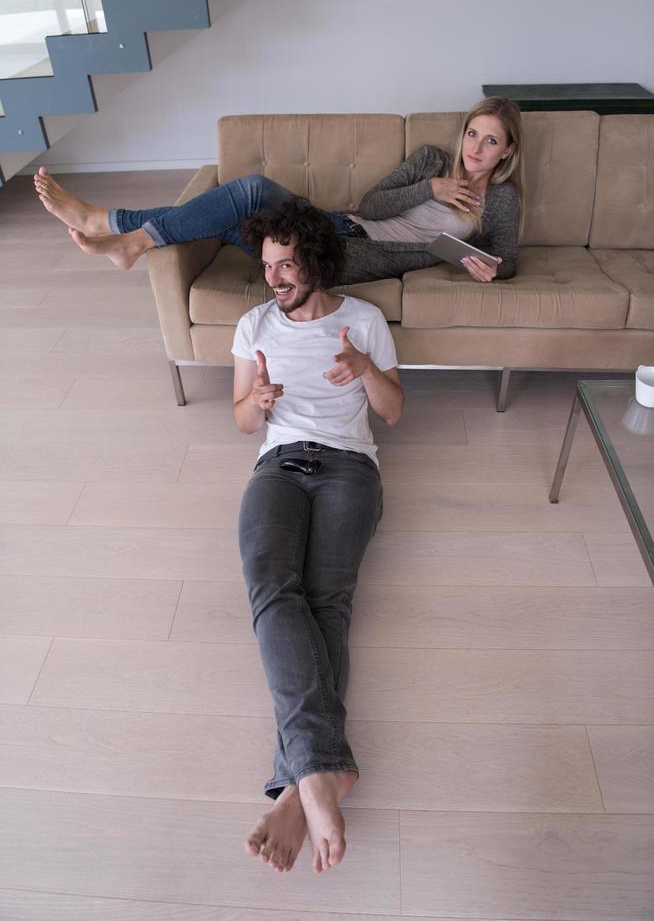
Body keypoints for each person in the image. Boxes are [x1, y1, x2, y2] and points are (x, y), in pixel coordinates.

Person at [232, 197, 403, 875]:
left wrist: (363, 371)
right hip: (278, 465)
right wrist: (259, 403)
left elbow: (393, 412)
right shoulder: (253, 325)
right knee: (274, 590)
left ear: (316, 261)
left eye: (288, 264)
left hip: (348, 468)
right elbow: (242, 420)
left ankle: (301, 785)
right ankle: (319, 776)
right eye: (268, 265)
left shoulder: (362, 320)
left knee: (327, 601)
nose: (275, 277)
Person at [33, 96, 524, 283]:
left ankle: (117, 227)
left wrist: (489, 272)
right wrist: (430, 189)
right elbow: (370, 205)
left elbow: (508, 260)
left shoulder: (501, 200)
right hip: (341, 224)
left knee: (242, 200)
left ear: (506, 151)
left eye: (491, 140)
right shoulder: (431, 161)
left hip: (354, 255)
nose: (477, 147)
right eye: (472, 133)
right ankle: (121, 234)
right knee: (243, 197)